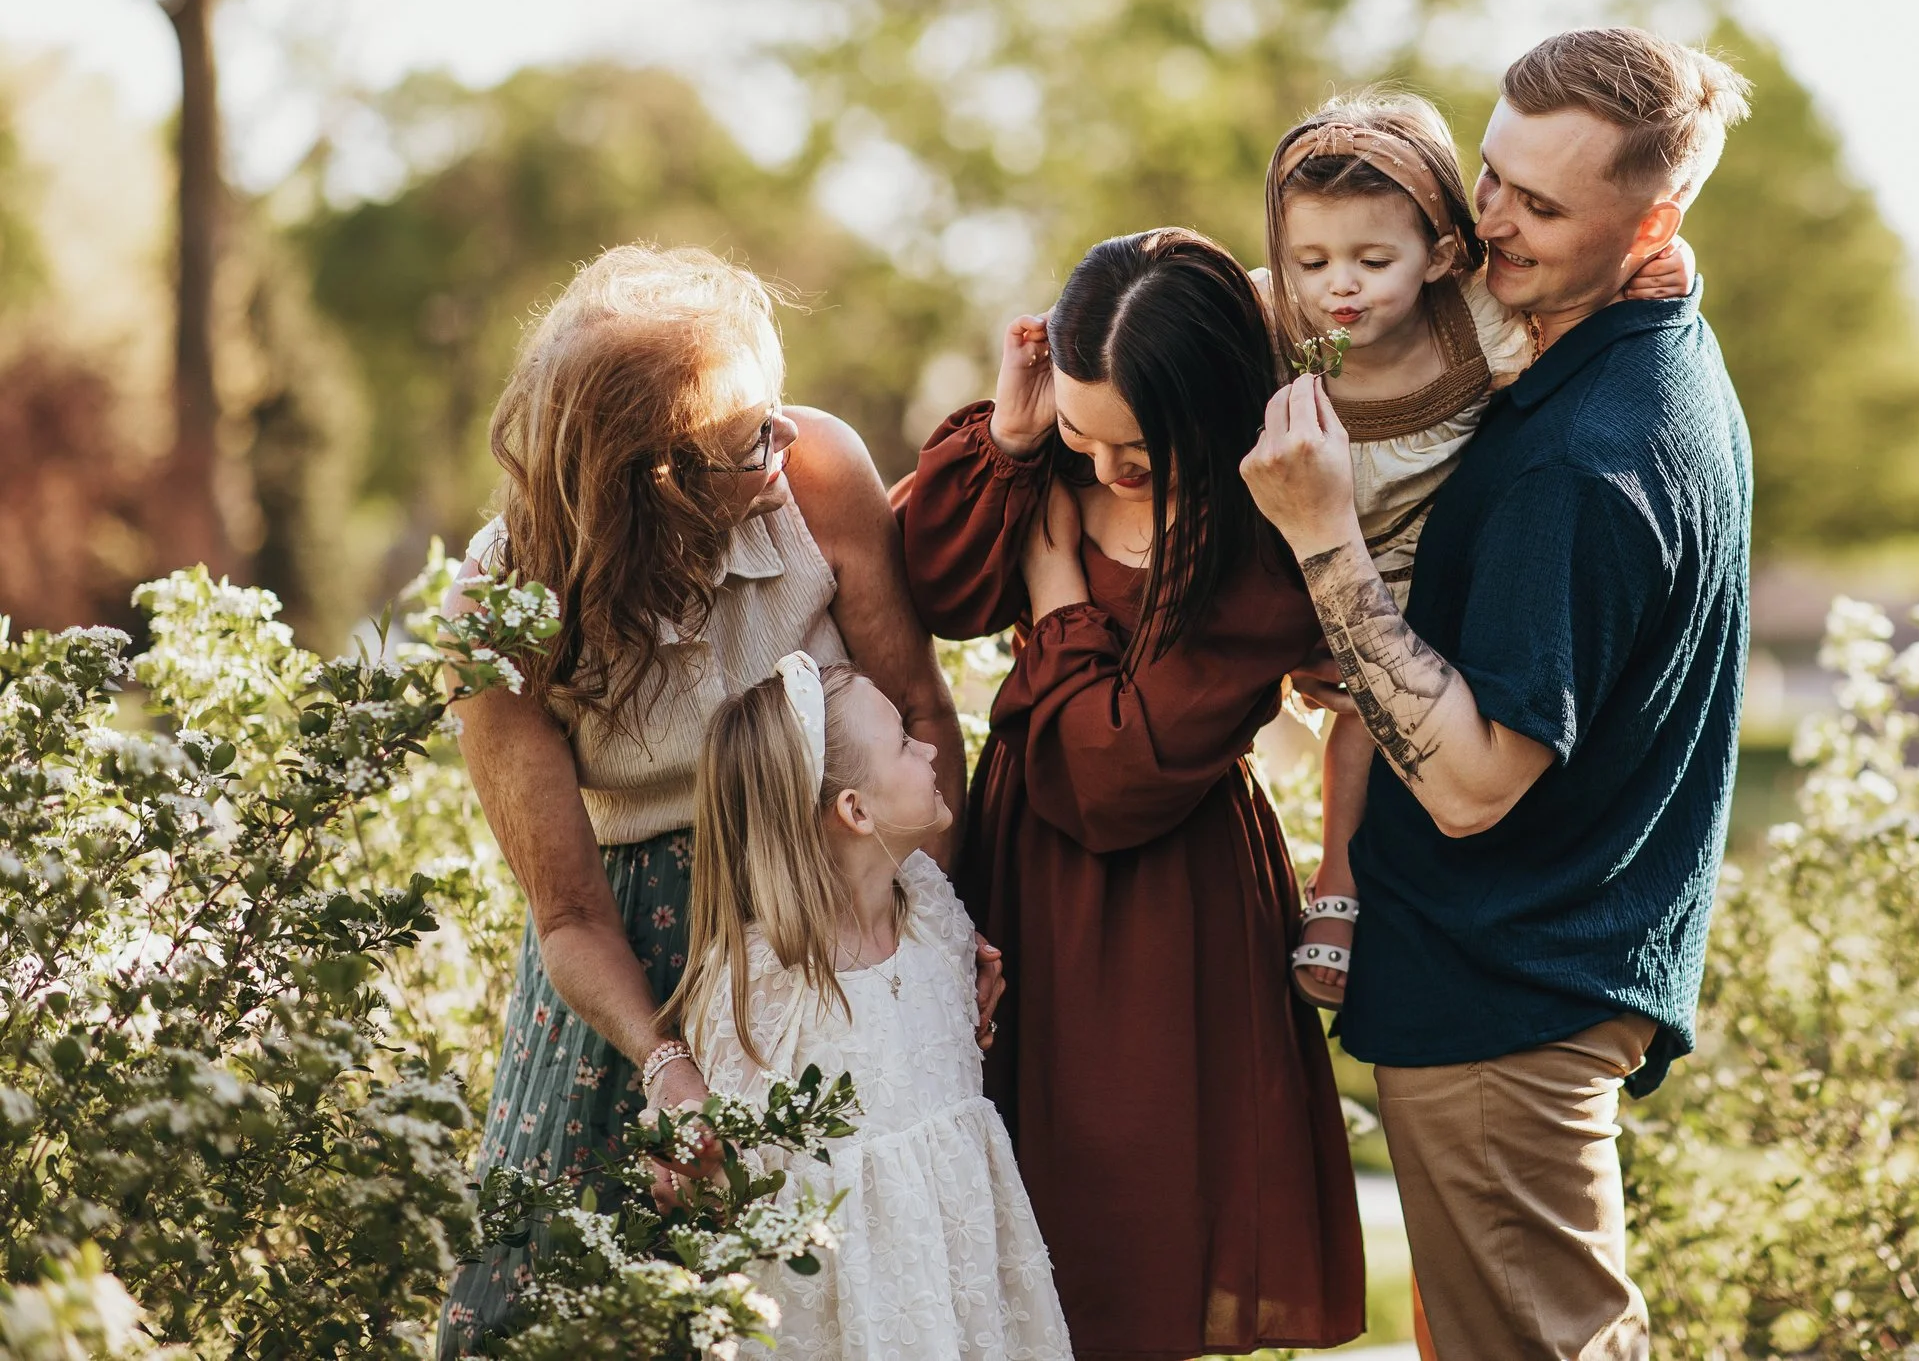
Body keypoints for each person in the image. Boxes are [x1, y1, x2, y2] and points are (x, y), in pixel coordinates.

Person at [1240, 27, 1755, 1360]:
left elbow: (1471, 783)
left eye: (1541, 203)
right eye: (1491, 173)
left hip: (1506, 1002)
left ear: (1654, 222)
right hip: (1536, 978)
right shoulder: (1645, 341)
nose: (1492, 220)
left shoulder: (1582, 462)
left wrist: (1322, 538)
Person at [437, 245, 990, 1355]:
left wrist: (932, 923)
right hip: (640, 967)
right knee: (585, 1306)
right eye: (749, 441)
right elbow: (567, 914)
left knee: (841, 1286)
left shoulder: (816, 476)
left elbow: (920, 712)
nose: (785, 445)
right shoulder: (497, 620)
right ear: (649, 481)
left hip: (828, 921)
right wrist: (669, 1065)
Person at [896, 228, 1365, 1360]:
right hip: (1015, 874)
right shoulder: (1043, 460)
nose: (1103, 472)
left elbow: (1113, 775)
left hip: (1165, 901)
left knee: (1128, 1224)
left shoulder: (1255, 549)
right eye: (1080, 433)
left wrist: (1055, 592)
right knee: (1000, 1227)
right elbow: (934, 585)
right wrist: (1012, 441)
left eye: (1137, 451)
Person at [1250, 89, 1695, 1008]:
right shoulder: (1272, 326)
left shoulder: (1474, 320)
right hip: (1292, 540)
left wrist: (1665, 270)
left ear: (1441, 254)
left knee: (1372, 720)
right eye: (1312, 260)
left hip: (1413, 563)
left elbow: (1582, 295)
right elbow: (1160, 324)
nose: (1341, 285)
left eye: (1375, 259)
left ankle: (1338, 881)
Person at [664, 652, 1072, 1361]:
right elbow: (729, 1181)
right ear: (855, 810)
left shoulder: (935, 915)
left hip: (967, 1282)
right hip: (852, 1319)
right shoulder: (759, 984)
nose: (933, 745)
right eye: (906, 742)